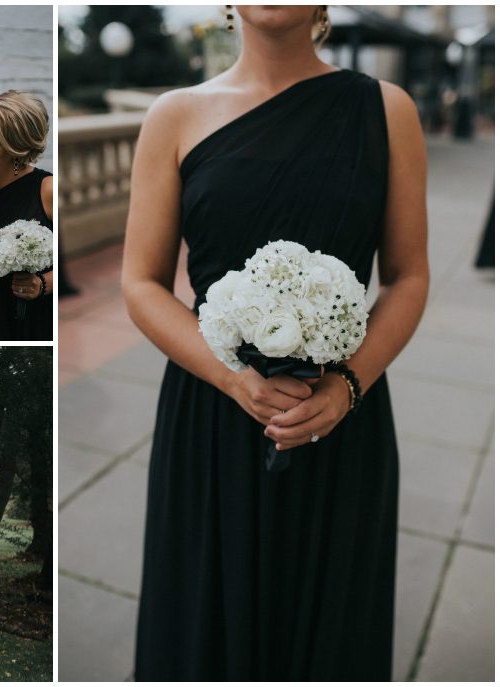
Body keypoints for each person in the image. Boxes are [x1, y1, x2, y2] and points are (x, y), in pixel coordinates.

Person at [123, 6, 428, 681]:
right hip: (213, 412)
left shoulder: (387, 109)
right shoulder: (174, 115)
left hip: (342, 419)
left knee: (329, 629)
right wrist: (235, 379)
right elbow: (141, 284)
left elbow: (408, 277)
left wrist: (347, 387)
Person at [0, 89, 53, 340]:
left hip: (29, 321)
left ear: (17, 147)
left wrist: (43, 284)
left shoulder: (46, 189)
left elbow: (72, 267)